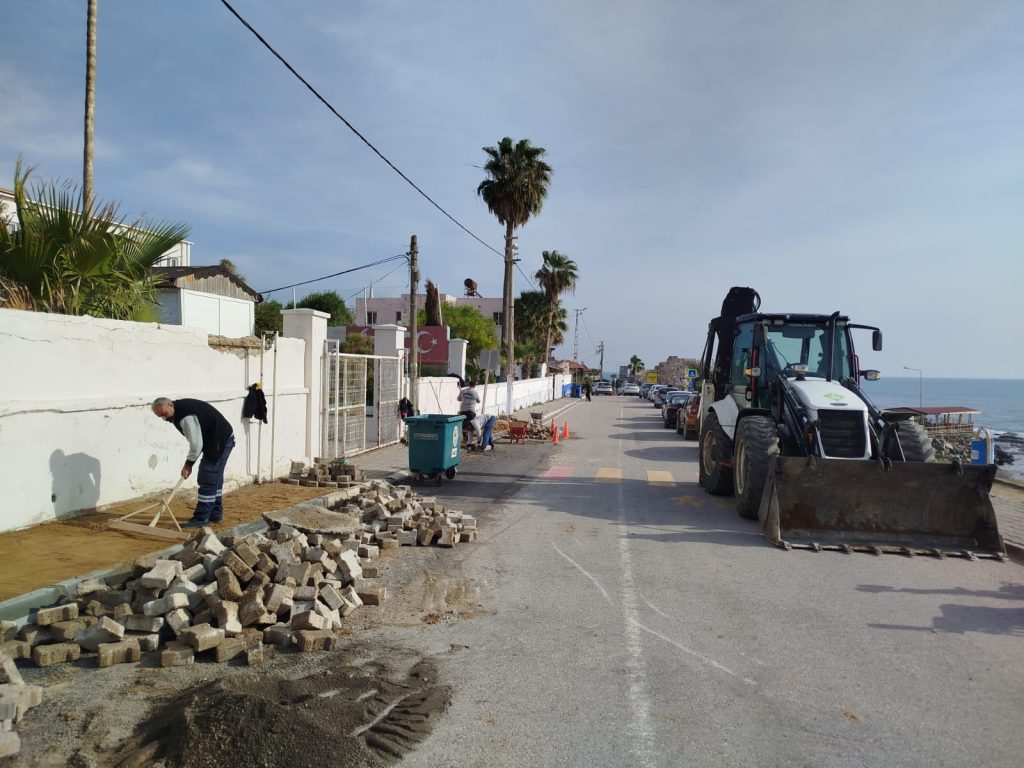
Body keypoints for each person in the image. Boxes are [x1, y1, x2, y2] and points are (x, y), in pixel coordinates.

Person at [151, 397, 235, 528]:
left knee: (207, 477)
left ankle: (202, 518)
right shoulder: (178, 410)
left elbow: (196, 445)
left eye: (164, 414)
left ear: (170, 405)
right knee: (215, 478)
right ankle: (215, 514)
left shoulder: (185, 417)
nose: (163, 418)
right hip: (219, 438)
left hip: (219, 441)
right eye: (159, 416)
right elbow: (198, 441)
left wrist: (188, 464)